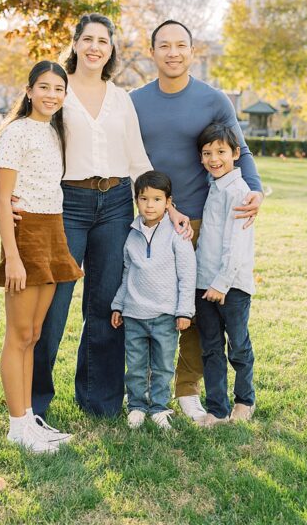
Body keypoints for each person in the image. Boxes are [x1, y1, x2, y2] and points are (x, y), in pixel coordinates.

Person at [32, 13, 174, 419]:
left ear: (111, 49)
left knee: (107, 303)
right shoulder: (58, 89)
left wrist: (168, 205)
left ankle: (99, 399)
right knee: (53, 303)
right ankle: (36, 399)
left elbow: (137, 159)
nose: (95, 47)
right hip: (68, 203)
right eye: (88, 39)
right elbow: (33, 142)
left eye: (103, 41)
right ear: (75, 43)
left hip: (114, 203)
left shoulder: (120, 97)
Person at [131, 20, 264, 422]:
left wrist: (255, 190)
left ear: (193, 51)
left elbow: (242, 151)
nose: (173, 52)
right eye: (164, 46)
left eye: (181, 46)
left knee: (190, 309)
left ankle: (187, 390)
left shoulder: (213, 99)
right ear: (151, 52)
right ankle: (140, 391)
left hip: (198, 223)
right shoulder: (133, 101)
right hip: (148, 221)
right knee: (145, 307)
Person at [0, 61, 83, 453]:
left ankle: (29, 420)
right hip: (25, 239)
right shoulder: (15, 133)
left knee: (35, 334)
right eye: (44, 87)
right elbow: (2, 196)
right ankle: (16, 427)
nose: (51, 95)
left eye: (59, 89)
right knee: (18, 334)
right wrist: (12, 256)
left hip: (53, 231)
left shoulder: (53, 133)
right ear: (28, 91)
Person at [111, 170, 197, 430]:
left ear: (168, 202)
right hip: (135, 315)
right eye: (144, 198)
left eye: (157, 199)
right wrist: (118, 304)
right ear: (136, 200)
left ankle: (159, 407)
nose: (150, 205)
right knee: (135, 365)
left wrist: (185, 311)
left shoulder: (177, 234)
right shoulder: (131, 234)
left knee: (162, 366)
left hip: (165, 316)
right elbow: (127, 274)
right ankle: (137, 406)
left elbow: (187, 274)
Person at [192, 123, 257, 425]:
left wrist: (222, 284)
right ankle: (216, 408)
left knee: (238, 346)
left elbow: (237, 244)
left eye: (221, 152)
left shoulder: (239, 192)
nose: (213, 159)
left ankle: (245, 400)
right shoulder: (213, 185)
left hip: (232, 287)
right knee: (211, 348)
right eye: (207, 153)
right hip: (204, 285)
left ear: (235, 154)